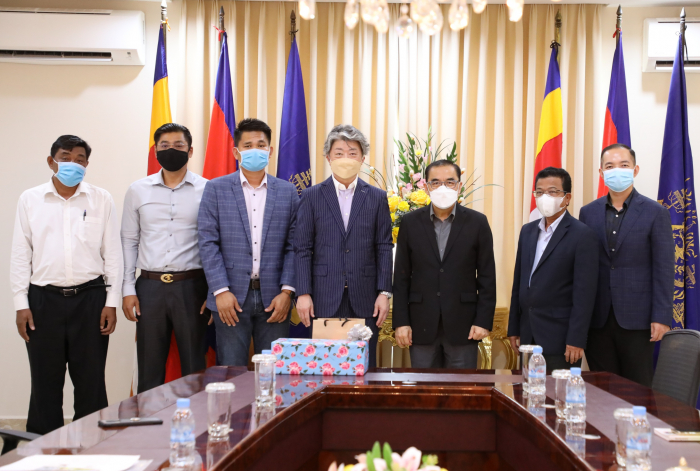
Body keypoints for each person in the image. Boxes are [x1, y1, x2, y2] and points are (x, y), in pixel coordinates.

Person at [10, 135, 123, 434]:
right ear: (52, 162)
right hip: (42, 301)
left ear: (87, 164)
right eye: (65, 157)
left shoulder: (101, 199)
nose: (73, 164)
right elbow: (21, 254)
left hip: (91, 299)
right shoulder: (30, 199)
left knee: (91, 382)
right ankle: (42, 450)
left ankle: (93, 447)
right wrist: (21, 304)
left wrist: (111, 301)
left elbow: (113, 254)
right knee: (44, 382)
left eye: (80, 159)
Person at [198, 118, 298, 366]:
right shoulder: (216, 189)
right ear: (236, 152)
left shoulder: (288, 191)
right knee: (231, 371)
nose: (255, 150)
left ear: (270, 151)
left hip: (275, 298)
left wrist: (287, 292)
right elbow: (208, 242)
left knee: (274, 372)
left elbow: (294, 245)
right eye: (248, 145)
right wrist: (220, 291)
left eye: (261, 145)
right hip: (230, 297)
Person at [294, 124, 393, 368]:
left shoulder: (377, 197)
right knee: (325, 366)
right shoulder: (311, 196)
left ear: (362, 158)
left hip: (366, 296)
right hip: (323, 296)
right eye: (339, 153)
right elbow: (303, 248)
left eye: (352, 153)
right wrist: (303, 292)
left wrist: (384, 292)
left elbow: (383, 246)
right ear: (328, 158)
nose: (345, 158)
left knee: (363, 366)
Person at [121, 123, 210, 393]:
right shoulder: (137, 190)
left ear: (190, 150)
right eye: (165, 146)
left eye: (179, 145)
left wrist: (213, 291)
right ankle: (148, 418)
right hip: (149, 288)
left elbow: (215, 243)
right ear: (156, 151)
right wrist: (127, 288)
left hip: (192, 287)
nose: (172, 150)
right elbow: (129, 241)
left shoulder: (208, 189)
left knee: (194, 366)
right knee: (149, 366)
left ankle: (196, 418)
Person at [579, 144, 674, 387]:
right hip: (597, 319)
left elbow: (664, 268)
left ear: (635, 169)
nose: (616, 171)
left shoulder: (655, 213)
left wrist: (661, 316)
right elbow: (585, 267)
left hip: (638, 320)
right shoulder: (588, 213)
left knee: (637, 389)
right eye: (610, 166)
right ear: (601, 172)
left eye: (623, 165)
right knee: (602, 388)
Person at [393, 160, 496, 368]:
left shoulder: (477, 222)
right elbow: (401, 276)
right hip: (421, 324)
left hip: (464, 325)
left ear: (459, 186)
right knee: (423, 386)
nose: (443, 188)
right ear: (426, 187)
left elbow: (487, 277)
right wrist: (401, 322)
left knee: (462, 387)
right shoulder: (410, 222)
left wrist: (483, 321)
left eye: (450, 182)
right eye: (435, 182)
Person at [508, 167, 599, 371]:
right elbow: (519, 283)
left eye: (552, 192)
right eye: (540, 192)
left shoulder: (582, 235)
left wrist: (576, 338)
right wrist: (514, 327)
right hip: (528, 334)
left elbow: (584, 294)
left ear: (567, 198)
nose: (545, 197)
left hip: (561, 338)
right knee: (528, 389)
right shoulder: (527, 231)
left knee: (557, 390)